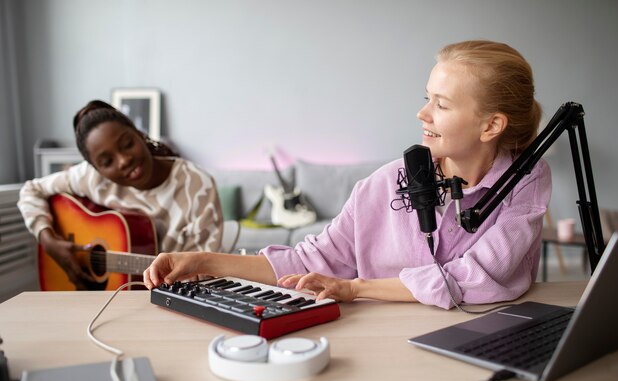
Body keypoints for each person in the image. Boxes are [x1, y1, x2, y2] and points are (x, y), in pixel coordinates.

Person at [143, 40, 551, 309]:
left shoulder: (527, 180)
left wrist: (357, 288)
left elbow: (481, 274)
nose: (422, 113)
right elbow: (305, 261)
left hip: (491, 333)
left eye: (441, 104)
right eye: (426, 98)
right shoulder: (382, 186)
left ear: (491, 126)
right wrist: (204, 261)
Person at [19, 100, 223, 289]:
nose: (123, 160)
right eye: (107, 162)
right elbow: (31, 190)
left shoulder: (197, 185)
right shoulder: (91, 179)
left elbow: (204, 272)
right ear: (96, 169)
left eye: (127, 144)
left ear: (140, 134)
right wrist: (49, 241)